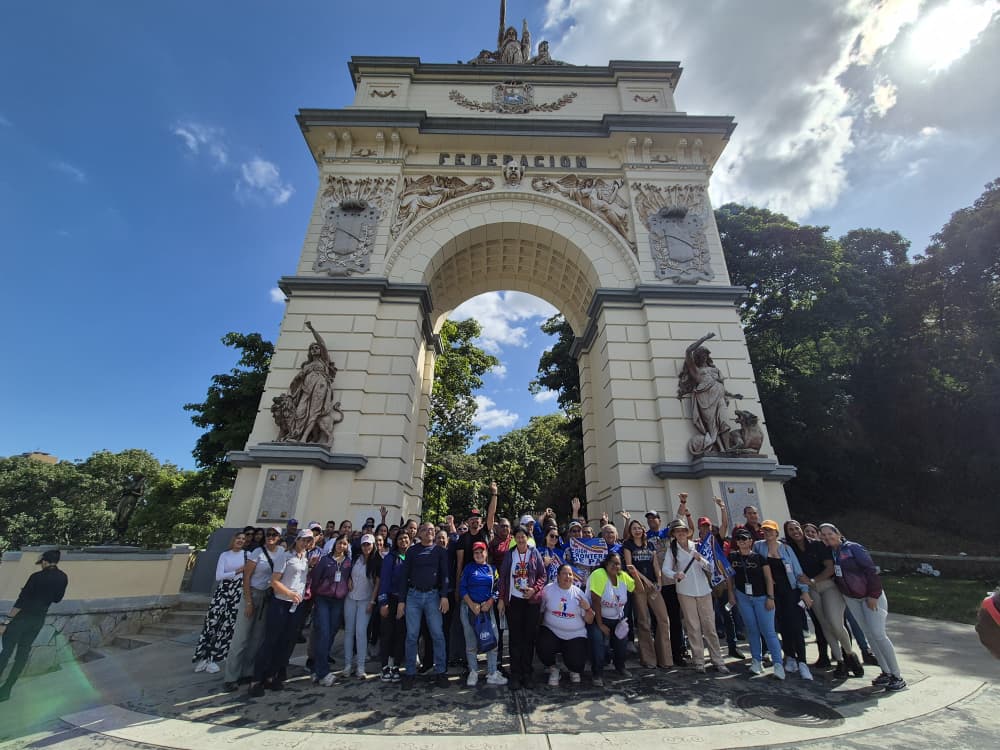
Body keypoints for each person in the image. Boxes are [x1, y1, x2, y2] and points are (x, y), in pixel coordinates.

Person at [820, 523, 906, 691]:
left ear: (838, 533)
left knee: (878, 634)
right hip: (853, 598)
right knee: (869, 635)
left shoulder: (853, 548)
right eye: (823, 535)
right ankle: (886, 672)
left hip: (869, 597)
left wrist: (873, 595)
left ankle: (897, 675)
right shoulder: (833, 552)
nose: (827, 537)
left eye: (829, 534)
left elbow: (870, 570)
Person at [785, 520, 863, 678]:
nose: (795, 531)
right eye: (791, 530)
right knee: (824, 624)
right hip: (811, 591)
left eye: (796, 528)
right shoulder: (789, 549)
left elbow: (830, 567)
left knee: (835, 622)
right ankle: (840, 661)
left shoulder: (817, 545)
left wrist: (813, 580)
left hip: (827, 585)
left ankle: (850, 654)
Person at [0, 549, 68, 702]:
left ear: (44, 561)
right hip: (38, 620)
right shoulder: (63, 577)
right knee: (22, 654)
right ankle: (6, 689)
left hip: (22, 618)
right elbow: (57, 599)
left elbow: (21, 600)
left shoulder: (36, 577)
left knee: (5, 652)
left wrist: (6, 621)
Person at [249, 529, 311, 696]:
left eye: (308, 541)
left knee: (286, 642)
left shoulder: (305, 558)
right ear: (297, 540)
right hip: (280, 603)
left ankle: (271, 676)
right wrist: (289, 593)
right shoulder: (285, 556)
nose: (305, 543)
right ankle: (256, 679)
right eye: (303, 540)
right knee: (270, 641)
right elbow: (274, 581)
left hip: (296, 606)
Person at [661, 520, 728, 673]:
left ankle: (717, 659)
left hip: (703, 590)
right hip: (685, 591)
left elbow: (711, 566)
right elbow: (665, 568)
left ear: (687, 532)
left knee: (709, 626)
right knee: (693, 626)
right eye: (677, 531)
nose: (681, 533)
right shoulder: (673, 550)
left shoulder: (697, 546)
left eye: (683, 531)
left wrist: (700, 559)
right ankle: (699, 660)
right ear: (674, 535)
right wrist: (675, 574)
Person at [222, 526, 283, 691]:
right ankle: (231, 676)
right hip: (252, 595)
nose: (271, 537)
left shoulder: (282, 552)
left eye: (274, 535)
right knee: (241, 637)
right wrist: (248, 601)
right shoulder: (257, 552)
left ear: (279, 537)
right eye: (268, 534)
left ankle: (247, 672)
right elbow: (246, 576)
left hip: (267, 597)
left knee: (257, 638)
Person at [754, 520, 814, 680]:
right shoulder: (759, 547)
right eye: (765, 530)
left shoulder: (786, 549)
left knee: (795, 625)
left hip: (790, 590)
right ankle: (790, 656)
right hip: (772, 593)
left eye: (770, 531)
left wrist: (805, 591)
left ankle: (803, 662)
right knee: (782, 626)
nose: (768, 533)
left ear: (776, 533)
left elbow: (798, 571)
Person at [397, 522, 451, 689]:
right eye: (425, 530)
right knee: (412, 635)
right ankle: (410, 673)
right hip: (413, 596)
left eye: (431, 530)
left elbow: (445, 575)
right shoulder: (412, 551)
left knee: (437, 634)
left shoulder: (440, 551)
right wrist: (401, 601)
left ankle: (441, 671)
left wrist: (444, 596)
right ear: (419, 533)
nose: (429, 532)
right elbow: (404, 575)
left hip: (433, 596)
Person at [727, 528, 785, 679]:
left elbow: (768, 578)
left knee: (768, 631)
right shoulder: (733, 556)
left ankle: (778, 664)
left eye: (745, 539)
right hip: (743, 597)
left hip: (761, 597)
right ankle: (756, 660)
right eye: (739, 539)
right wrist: (731, 593)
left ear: (750, 541)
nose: (742, 541)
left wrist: (770, 597)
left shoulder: (759, 558)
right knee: (752, 630)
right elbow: (730, 577)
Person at [678, 332, 743, 455]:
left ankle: (727, 448)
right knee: (712, 426)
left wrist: (734, 396)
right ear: (697, 356)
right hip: (705, 401)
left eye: (705, 354)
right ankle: (720, 449)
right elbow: (688, 351)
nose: (704, 356)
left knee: (724, 421)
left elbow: (721, 387)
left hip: (719, 398)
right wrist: (705, 338)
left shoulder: (716, 370)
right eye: (701, 354)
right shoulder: (696, 371)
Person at [498, 525, 546, 688]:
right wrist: (502, 599)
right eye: (517, 536)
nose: (520, 539)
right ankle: (515, 673)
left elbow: (542, 575)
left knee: (528, 638)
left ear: (527, 537)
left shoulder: (534, 553)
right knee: (515, 639)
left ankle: (527, 673)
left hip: (531, 601)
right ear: (514, 538)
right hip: (515, 601)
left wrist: (534, 589)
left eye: (523, 536)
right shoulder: (510, 555)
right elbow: (503, 577)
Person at [194, 532, 248, 674]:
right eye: (238, 538)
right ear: (233, 539)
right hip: (223, 591)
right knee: (212, 622)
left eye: (243, 539)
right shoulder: (225, 555)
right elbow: (219, 575)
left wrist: (234, 574)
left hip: (237, 592)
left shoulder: (246, 555)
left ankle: (215, 657)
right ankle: (203, 656)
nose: (240, 541)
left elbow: (246, 575)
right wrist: (237, 571)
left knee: (227, 625)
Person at [622, 519, 673, 669]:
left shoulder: (650, 545)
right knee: (644, 622)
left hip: (654, 586)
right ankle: (648, 659)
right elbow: (629, 565)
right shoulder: (628, 545)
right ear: (630, 532)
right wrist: (644, 579)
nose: (637, 530)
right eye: (634, 528)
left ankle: (665, 658)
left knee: (663, 619)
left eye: (639, 528)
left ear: (643, 530)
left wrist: (658, 580)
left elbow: (655, 564)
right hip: (638, 585)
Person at [459, 542, 507, 686]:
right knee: (471, 642)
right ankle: (473, 672)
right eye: (476, 553)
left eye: (481, 552)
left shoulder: (492, 569)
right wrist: (472, 604)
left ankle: (492, 673)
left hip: (487, 610)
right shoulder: (468, 568)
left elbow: (498, 588)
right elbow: (462, 588)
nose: (479, 555)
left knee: (493, 640)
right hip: (469, 609)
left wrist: (490, 602)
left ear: (486, 553)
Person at [538, 564, 594, 686]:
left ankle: (571, 668)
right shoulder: (548, 589)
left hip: (575, 634)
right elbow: (541, 611)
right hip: (552, 630)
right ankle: (553, 669)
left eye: (570, 574)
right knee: (542, 644)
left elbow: (589, 620)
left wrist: (588, 608)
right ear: (557, 576)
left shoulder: (579, 594)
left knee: (577, 664)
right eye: (564, 573)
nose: (567, 576)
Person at [586, 552, 635, 685]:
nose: (615, 566)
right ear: (606, 563)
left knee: (621, 644)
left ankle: (620, 667)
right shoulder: (599, 574)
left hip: (617, 619)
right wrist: (600, 624)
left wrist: (635, 573)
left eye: (618, 563)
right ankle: (597, 674)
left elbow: (638, 589)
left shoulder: (623, 576)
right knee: (598, 643)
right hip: (597, 618)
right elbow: (596, 600)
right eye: (612, 562)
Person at [309, 533, 351, 686]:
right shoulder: (325, 560)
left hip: (338, 601)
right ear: (334, 545)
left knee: (331, 633)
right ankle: (324, 672)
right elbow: (315, 580)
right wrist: (315, 597)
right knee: (324, 633)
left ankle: (316, 669)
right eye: (339, 543)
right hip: (323, 599)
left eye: (345, 544)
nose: (342, 546)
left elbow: (348, 579)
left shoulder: (348, 562)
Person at [343, 533, 379, 678]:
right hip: (351, 599)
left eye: (369, 544)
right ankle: (347, 665)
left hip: (365, 601)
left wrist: (372, 601)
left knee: (361, 632)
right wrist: (349, 579)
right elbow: (348, 573)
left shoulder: (377, 561)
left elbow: (378, 583)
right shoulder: (355, 559)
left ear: (373, 545)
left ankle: (361, 666)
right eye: (364, 544)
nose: (366, 547)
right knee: (349, 632)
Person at [378, 530, 411, 682]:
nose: (403, 541)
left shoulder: (412, 557)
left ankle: (396, 664)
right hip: (391, 599)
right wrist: (383, 602)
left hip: (407, 600)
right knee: (387, 633)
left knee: (401, 634)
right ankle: (385, 666)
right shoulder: (390, 558)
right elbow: (384, 580)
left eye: (406, 538)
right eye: (400, 538)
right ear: (396, 542)